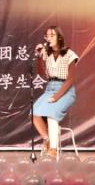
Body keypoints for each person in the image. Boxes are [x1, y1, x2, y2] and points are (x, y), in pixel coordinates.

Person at [32, 25, 79, 157]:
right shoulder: (47, 54)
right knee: (34, 113)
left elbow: (71, 79)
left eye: (52, 35)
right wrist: (39, 56)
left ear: (59, 37)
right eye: (47, 36)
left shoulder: (70, 54)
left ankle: (53, 149)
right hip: (50, 88)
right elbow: (42, 73)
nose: (49, 38)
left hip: (65, 90)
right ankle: (47, 139)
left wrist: (56, 97)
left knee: (51, 114)